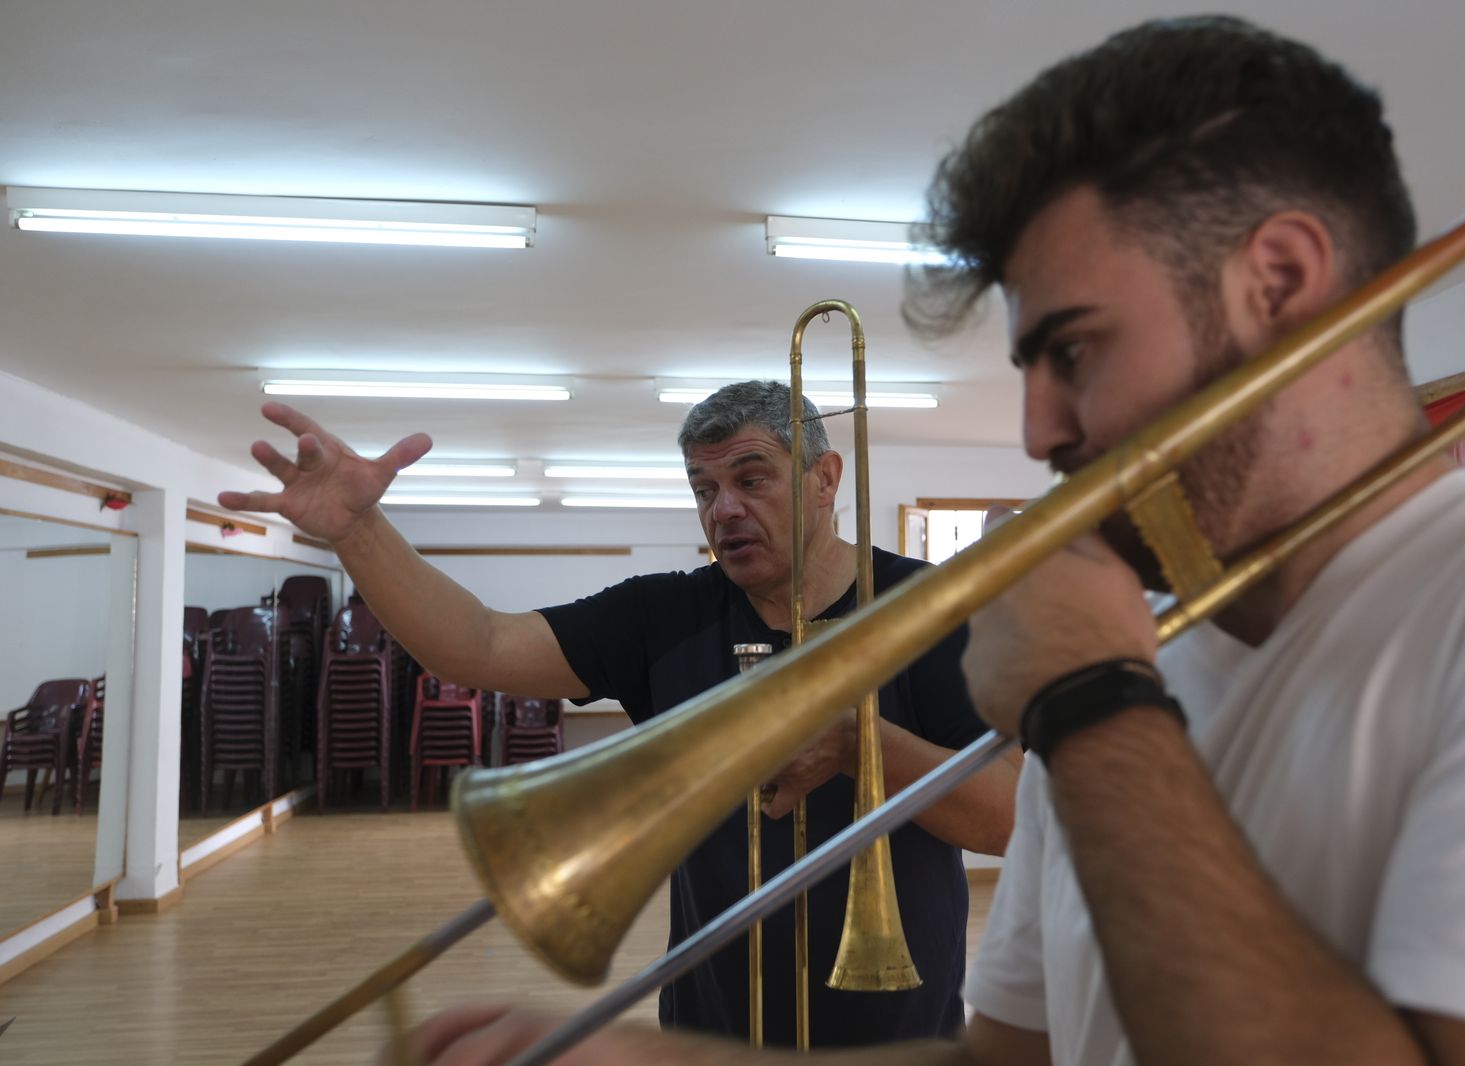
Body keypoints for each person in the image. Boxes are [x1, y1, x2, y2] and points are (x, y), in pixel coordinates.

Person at [394, 14, 1465, 1066]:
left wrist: (1088, 704)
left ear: (1277, 283)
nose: (1035, 430)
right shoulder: (1148, 658)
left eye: (1072, 349)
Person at [221, 380, 1020, 1048]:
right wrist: (359, 533)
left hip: (902, 1035)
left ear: (826, 478)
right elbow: (481, 644)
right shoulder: (664, 616)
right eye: (704, 490)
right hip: (704, 1033)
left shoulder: (933, 609)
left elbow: (1007, 819)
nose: (724, 510)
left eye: (752, 478)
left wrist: (858, 743)